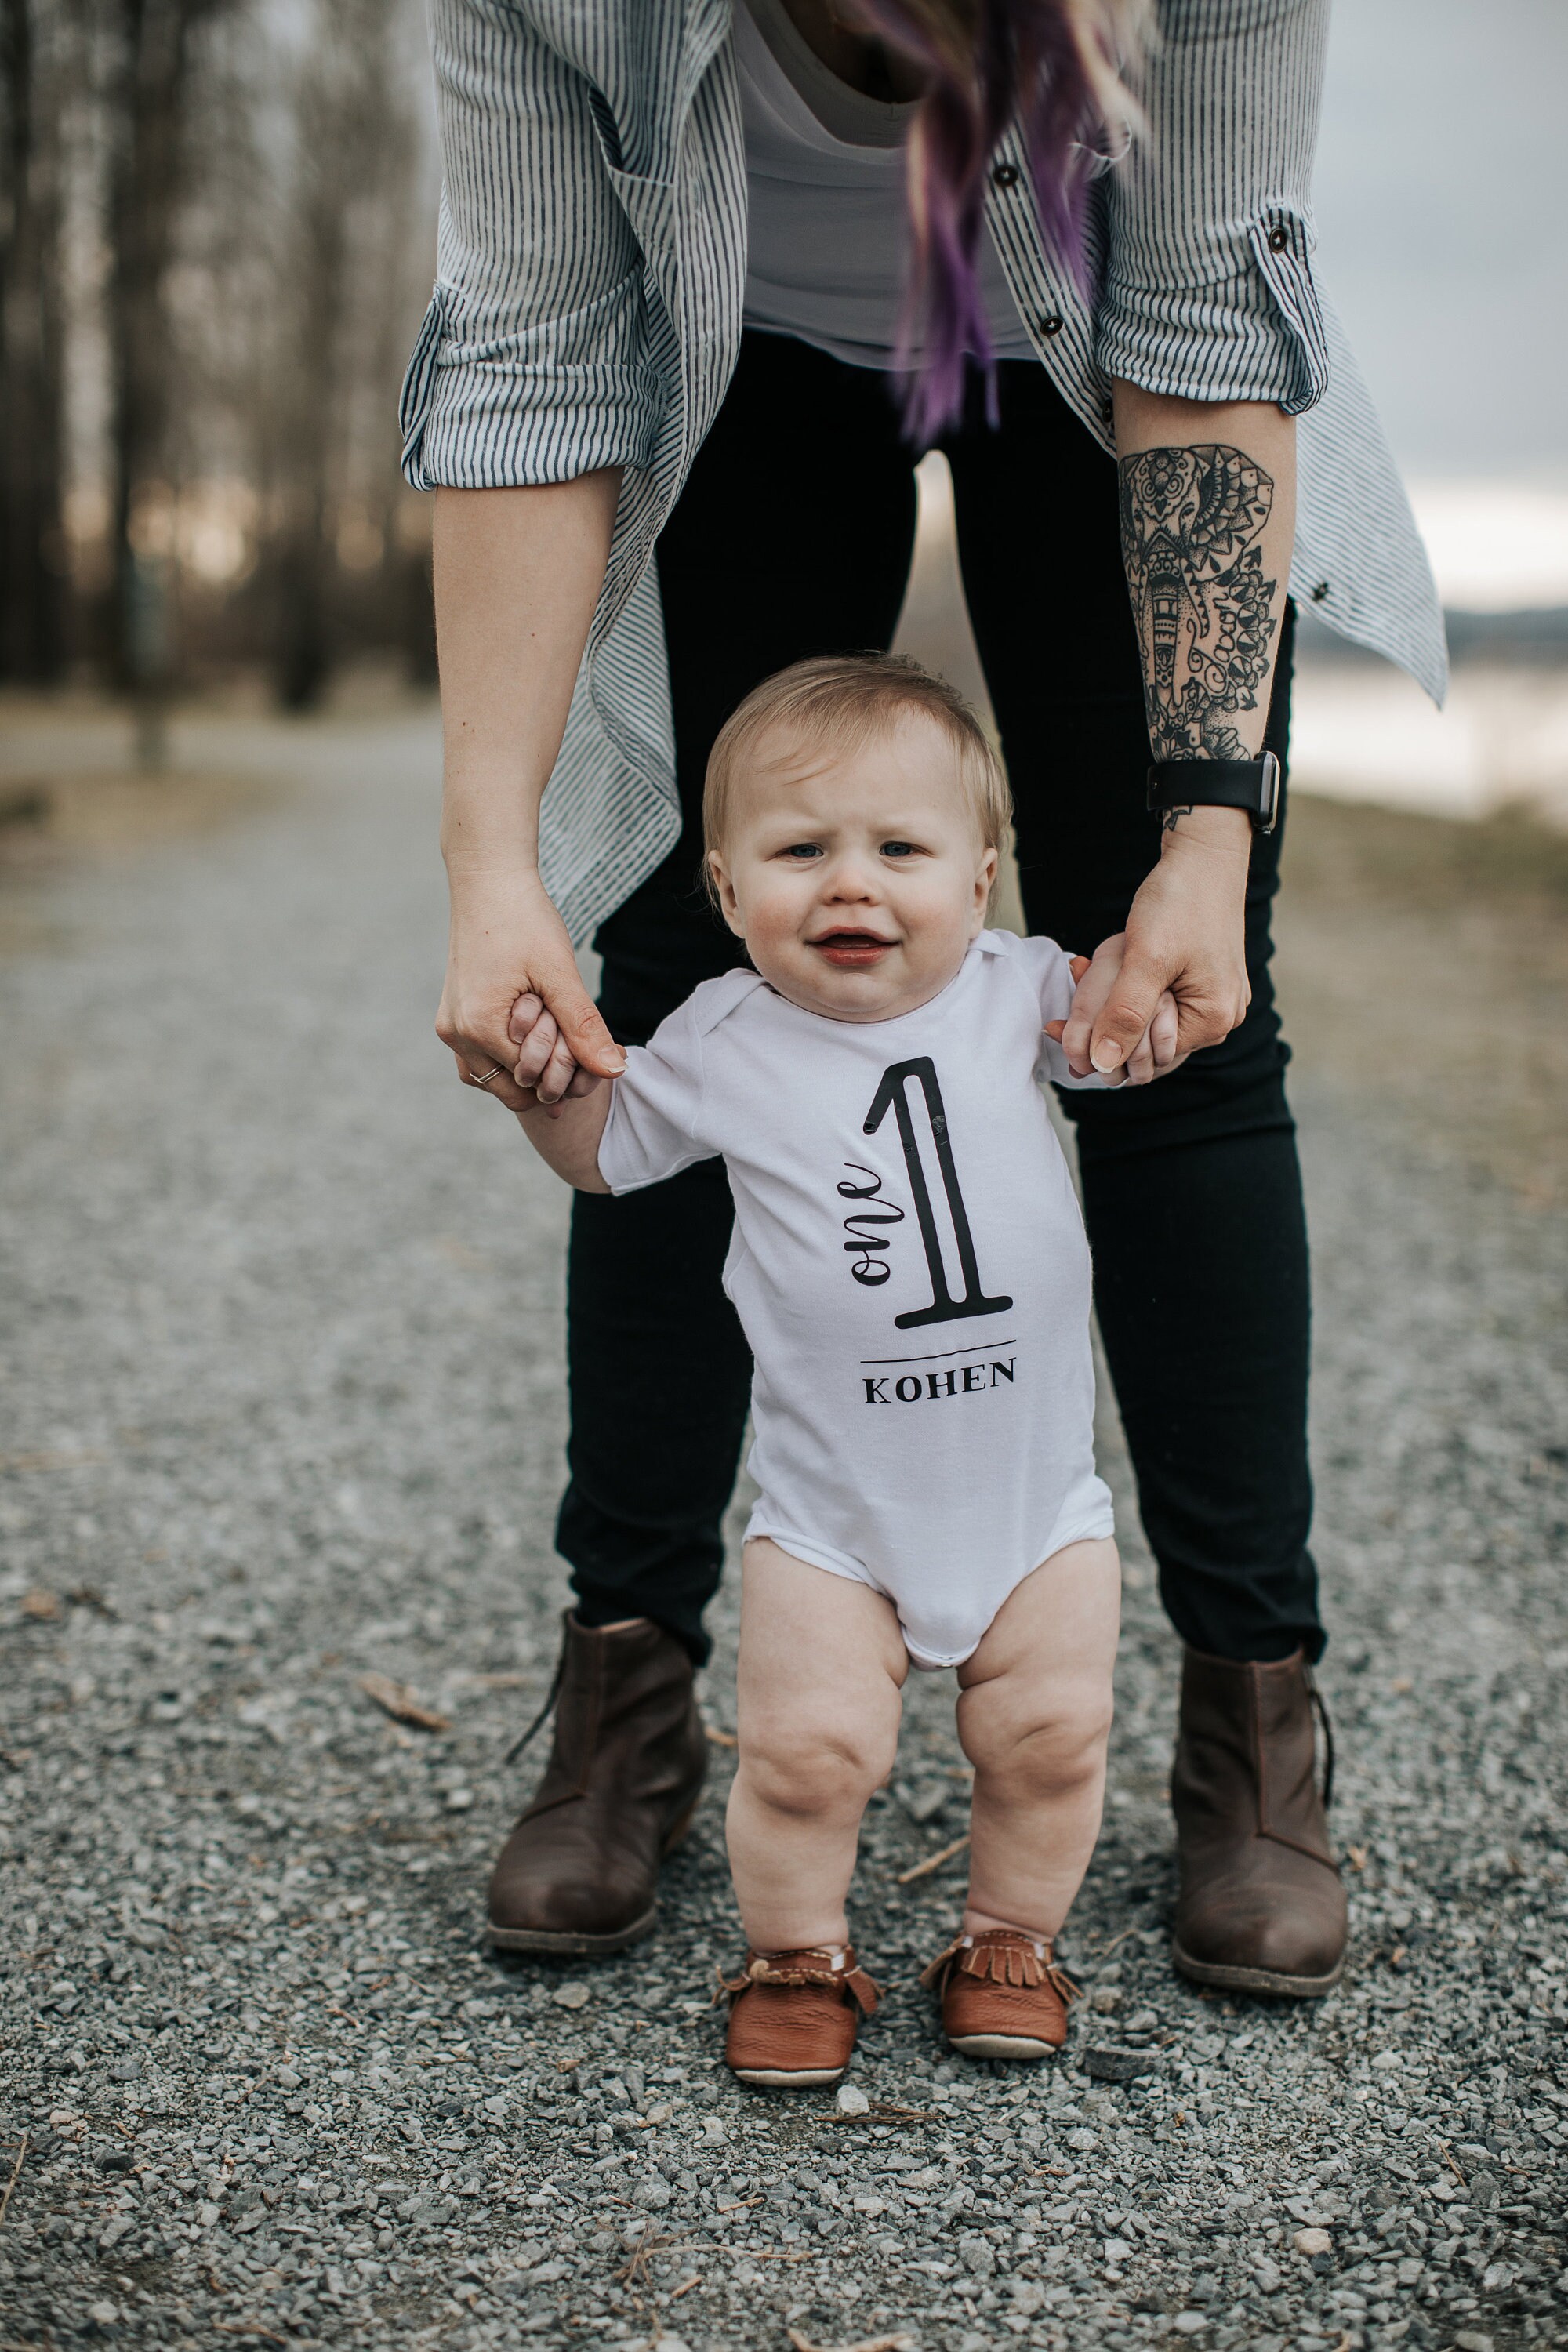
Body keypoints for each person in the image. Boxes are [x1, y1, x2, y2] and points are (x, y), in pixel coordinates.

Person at [402, 0, 1445, 1997]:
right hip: (739, 377)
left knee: (1182, 1023)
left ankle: (1250, 1724)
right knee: (673, 984)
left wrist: (1203, 846)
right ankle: (625, 1690)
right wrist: (490, 865)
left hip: (1113, 367)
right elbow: (531, 356)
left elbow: (1213, 328)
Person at [510, 653, 1185, 2084]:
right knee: (810, 1755)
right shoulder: (722, 1038)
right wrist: (540, 1090)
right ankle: (797, 1956)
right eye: (800, 850)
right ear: (724, 883)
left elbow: (1136, 1054)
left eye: (901, 850)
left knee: (1054, 1737)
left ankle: (1009, 1938)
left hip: (1034, 1508)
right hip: (833, 1522)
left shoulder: (1024, 994)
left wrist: (1165, 1005)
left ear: (982, 875)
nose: (851, 886)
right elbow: (608, 1162)